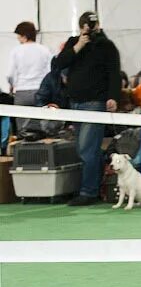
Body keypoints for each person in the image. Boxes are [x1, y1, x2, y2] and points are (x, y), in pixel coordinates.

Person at [55, 12, 121, 206]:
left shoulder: (106, 46)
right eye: (86, 24)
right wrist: (78, 46)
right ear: (80, 26)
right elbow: (59, 63)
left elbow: (114, 73)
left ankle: (88, 192)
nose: (89, 28)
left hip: (95, 103)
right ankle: (94, 187)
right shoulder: (73, 43)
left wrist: (113, 97)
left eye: (92, 24)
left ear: (98, 25)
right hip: (74, 103)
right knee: (84, 149)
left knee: (87, 149)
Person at [7, 21, 52, 135]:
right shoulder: (44, 50)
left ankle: (24, 150)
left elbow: (10, 74)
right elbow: (50, 72)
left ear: (24, 36)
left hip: (22, 91)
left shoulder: (16, 51)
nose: (18, 38)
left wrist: (12, 85)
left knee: (23, 129)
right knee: (41, 127)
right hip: (41, 91)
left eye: (19, 36)